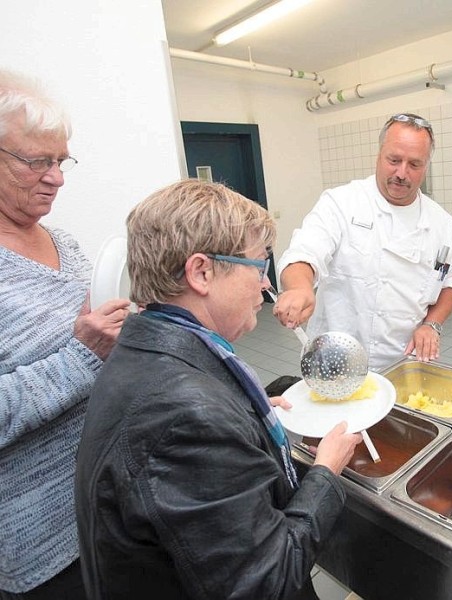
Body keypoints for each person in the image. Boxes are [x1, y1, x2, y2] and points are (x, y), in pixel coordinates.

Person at [74, 179, 362, 600]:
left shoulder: (145, 347)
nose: (266, 286)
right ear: (201, 272)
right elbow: (267, 580)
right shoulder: (188, 416)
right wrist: (325, 474)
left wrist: (243, 408)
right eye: (259, 267)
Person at [0, 71, 130, 599]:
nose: (55, 178)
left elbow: (94, 338)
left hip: (111, 506)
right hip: (44, 543)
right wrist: (82, 356)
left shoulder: (66, 243)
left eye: (60, 161)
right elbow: (80, 355)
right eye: (36, 162)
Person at [274, 113, 452, 370]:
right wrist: (299, 288)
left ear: (426, 166)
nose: (402, 173)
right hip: (335, 357)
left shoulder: (441, 223)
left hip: (403, 360)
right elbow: (305, 253)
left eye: (414, 164)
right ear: (379, 155)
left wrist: (432, 324)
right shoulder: (341, 202)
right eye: (394, 160)